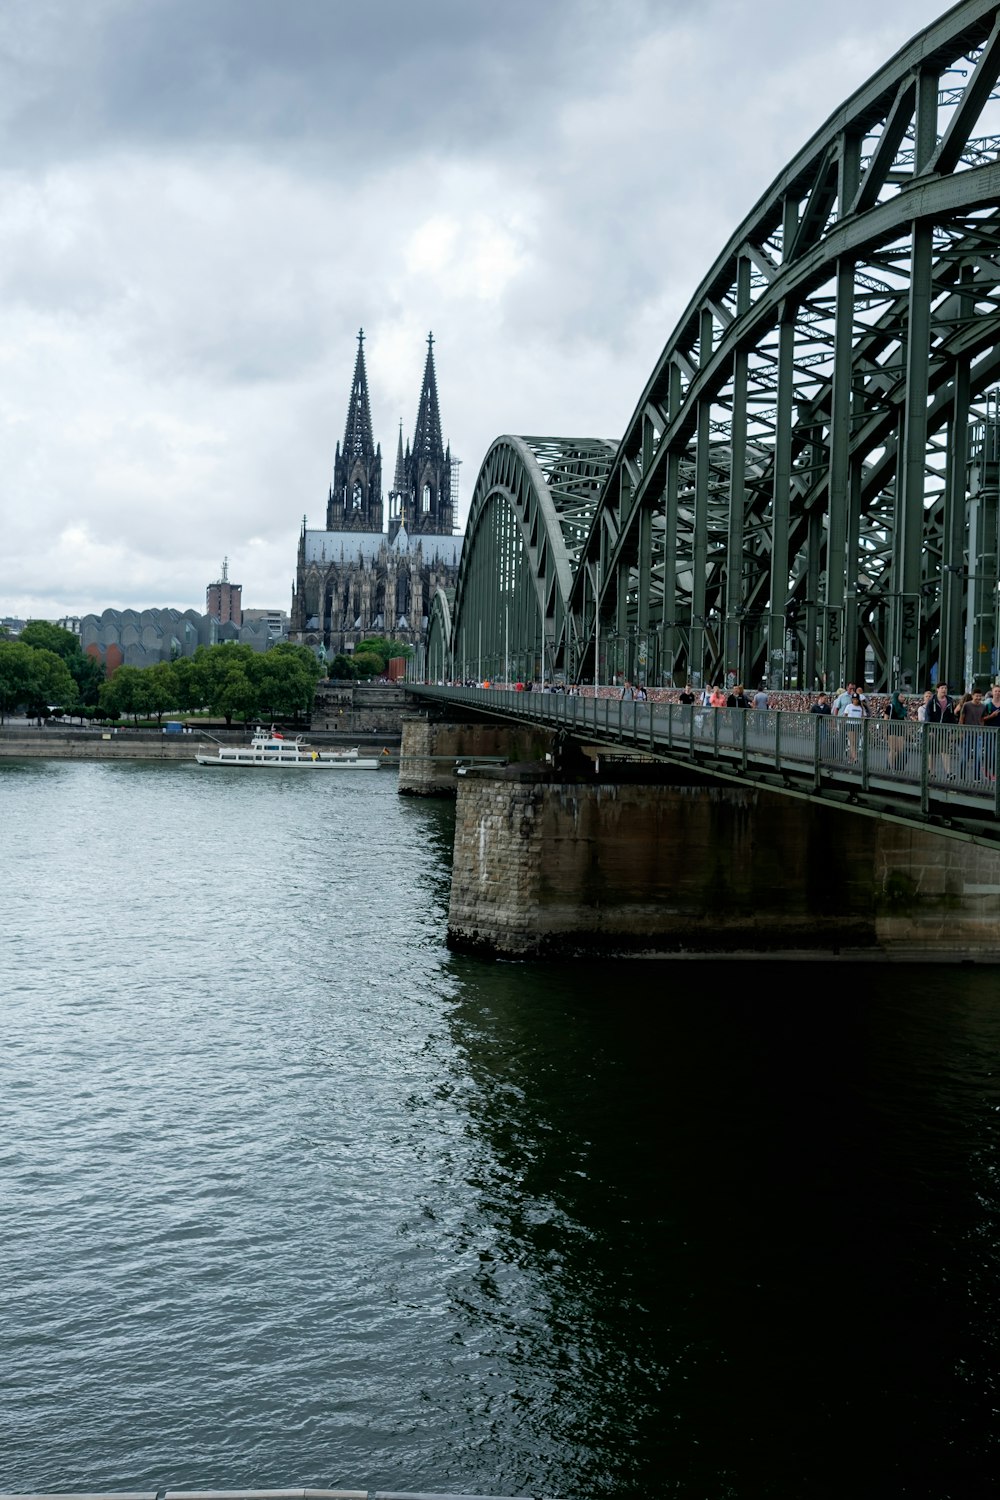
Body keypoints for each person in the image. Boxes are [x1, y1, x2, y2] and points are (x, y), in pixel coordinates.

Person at [883, 689, 908, 772]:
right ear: (896, 697)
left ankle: (894, 765)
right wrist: (884, 731)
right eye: (901, 696)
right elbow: (886, 718)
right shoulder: (890, 706)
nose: (903, 698)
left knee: (900, 749)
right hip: (892, 729)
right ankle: (891, 767)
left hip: (901, 729)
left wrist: (907, 731)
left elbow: (904, 719)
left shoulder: (903, 707)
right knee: (893, 749)